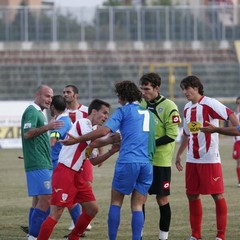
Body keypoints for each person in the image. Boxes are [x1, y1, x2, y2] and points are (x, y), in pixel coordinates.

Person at [61, 80, 156, 240]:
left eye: (119, 96)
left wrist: (78, 139)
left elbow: (104, 130)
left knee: (116, 202)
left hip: (128, 161)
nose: (118, 99)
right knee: (138, 205)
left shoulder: (123, 111)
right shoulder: (149, 113)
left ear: (123, 96)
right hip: (147, 163)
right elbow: (151, 140)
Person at [37, 99, 119, 240]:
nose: (106, 117)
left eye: (108, 114)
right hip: (65, 172)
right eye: (104, 113)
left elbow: (93, 161)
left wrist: (112, 152)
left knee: (92, 209)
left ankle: (73, 237)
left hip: (77, 175)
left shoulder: (92, 131)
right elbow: (95, 142)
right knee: (56, 213)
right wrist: (116, 136)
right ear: (94, 111)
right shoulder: (83, 123)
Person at [175, 75, 239, 240]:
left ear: (196, 87)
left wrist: (216, 130)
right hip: (192, 159)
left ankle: (221, 235)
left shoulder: (210, 103)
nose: (184, 92)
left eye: (186, 88)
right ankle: (195, 234)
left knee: (217, 194)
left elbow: (237, 126)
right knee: (192, 194)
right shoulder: (187, 108)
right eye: (182, 89)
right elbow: (187, 133)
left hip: (209, 158)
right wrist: (179, 154)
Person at [139, 72, 181, 240]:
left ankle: (163, 238)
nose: (143, 92)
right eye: (141, 88)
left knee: (162, 200)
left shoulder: (170, 106)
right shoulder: (140, 104)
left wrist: (150, 144)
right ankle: (138, 236)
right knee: (139, 199)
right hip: (142, 160)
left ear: (156, 88)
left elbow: (172, 135)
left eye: (147, 89)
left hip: (161, 162)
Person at [21, 85, 63, 240]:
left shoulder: (40, 113)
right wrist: (49, 127)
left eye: (51, 97)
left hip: (44, 162)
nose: (49, 100)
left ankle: (33, 234)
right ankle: (34, 236)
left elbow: (45, 140)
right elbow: (27, 134)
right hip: (39, 163)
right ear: (37, 95)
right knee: (46, 199)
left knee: (39, 200)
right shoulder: (32, 111)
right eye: (47, 96)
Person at [63, 84, 92, 233]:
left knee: (85, 185)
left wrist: (99, 150)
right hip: (69, 156)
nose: (65, 94)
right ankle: (76, 221)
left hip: (84, 155)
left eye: (68, 92)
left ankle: (84, 219)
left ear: (76, 95)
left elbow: (95, 131)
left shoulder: (86, 111)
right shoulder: (63, 113)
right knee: (70, 188)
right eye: (64, 92)